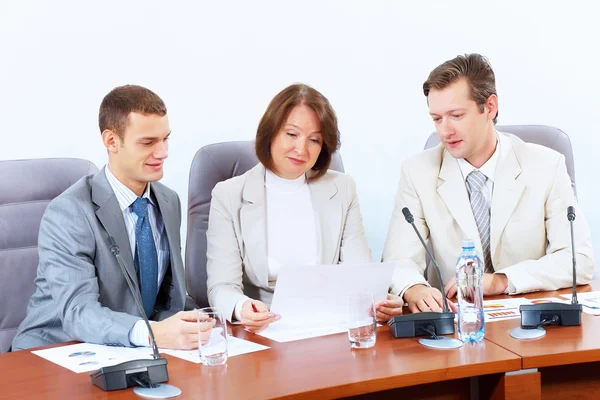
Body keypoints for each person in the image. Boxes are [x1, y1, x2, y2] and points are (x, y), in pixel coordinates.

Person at [383, 54, 594, 314]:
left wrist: (500, 281)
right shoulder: (417, 172)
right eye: (437, 119)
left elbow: (578, 261)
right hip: (457, 324)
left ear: (490, 107)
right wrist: (414, 288)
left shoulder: (546, 165)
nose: (444, 130)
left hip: (533, 321)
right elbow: (398, 258)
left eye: (456, 115)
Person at [13, 85, 202, 350]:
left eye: (165, 139)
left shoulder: (168, 200)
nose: (162, 153)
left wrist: (218, 316)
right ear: (111, 141)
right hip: (59, 350)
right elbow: (78, 312)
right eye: (148, 142)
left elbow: (167, 297)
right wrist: (153, 334)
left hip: (129, 350)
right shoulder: (70, 212)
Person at [206, 83, 402, 332]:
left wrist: (380, 301)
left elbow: (358, 275)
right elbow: (221, 287)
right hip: (264, 332)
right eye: (291, 134)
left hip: (333, 327)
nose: (301, 149)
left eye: (314, 140)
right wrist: (242, 307)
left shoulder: (342, 188)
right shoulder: (229, 194)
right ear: (270, 132)